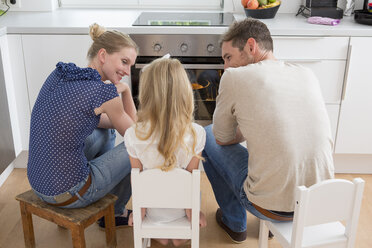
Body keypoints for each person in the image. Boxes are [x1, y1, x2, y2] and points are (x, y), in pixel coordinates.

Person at [202, 18, 335, 243]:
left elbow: (222, 138)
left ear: (251, 46)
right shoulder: (305, 73)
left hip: (270, 208)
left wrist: (245, 128)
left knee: (207, 133)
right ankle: (271, 226)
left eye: (228, 57)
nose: (226, 66)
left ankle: (235, 222)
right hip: (316, 203)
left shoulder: (235, 77)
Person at [27, 23, 138, 229]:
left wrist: (122, 95)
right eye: (124, 62)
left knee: (107, 130)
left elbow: (108, 122)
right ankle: (113, 213)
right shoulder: (102, 94)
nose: (127, 71)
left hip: (38, 183)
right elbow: (137, 136)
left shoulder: (60, 74)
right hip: (70, 192)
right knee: (139, 148)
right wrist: (126, 92)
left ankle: (104, 195)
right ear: (103, 55)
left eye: (130, 65)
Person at [124, 57, 207, 246]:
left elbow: (137, 183)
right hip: (182, 211)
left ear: (146, 94)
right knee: (191, 182)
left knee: (143, 181)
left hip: (153, 214)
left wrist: (139, 215)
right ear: (185, 92)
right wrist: (193, 215)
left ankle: (160, 232)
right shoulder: (197, 133)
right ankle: (178, 235)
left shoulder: (132, 134)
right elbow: (191, 181)